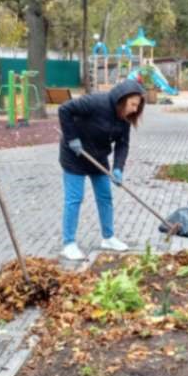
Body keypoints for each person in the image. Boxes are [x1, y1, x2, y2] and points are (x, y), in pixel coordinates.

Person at [58, 79, 146, 261]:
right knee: (74, 199)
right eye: (133, 104)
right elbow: (64, 109)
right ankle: (69, 244)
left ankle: (108, 238)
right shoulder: (96, 102)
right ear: (123, 99)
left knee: (105, 197)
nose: (135, 110)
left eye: (138, 106)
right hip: (74, 155)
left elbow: (123, 145)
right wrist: (72, 138)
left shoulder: (124, 119)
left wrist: (118, 168)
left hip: (97, 158)